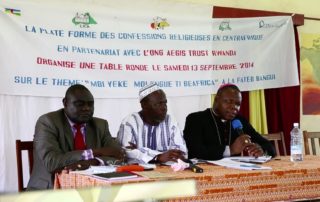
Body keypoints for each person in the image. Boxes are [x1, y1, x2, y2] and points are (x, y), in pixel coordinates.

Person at [27, 84, 125, 190]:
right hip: (51, 189)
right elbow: (52, 163)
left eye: (90, 104)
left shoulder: (100, 125)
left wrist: (90, 162)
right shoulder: (47, 122)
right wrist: (94, 152)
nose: (86, 108)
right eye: (79, 104)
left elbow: (118, 154)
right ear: (65, 103)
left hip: (90, 187)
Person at [184, 84, 276, 160]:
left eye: (238, 104)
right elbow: (193, 151)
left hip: (234, 174)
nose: (234, 107)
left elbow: (270, 147)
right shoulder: (195, 119)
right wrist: (230, 150)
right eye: (229, 101)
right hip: (204, 174)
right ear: (216, 99)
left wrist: (262, 150)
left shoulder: (240, 121)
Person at [117, 83, 187, 164]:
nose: (164, 108)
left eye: (165, 103)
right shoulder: (130, 122)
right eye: (158, 104)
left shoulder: (170, 121)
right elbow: (126, 152)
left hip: (167, 172)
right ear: (144, 105)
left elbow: (180, 153)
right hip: (138, 172)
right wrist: (158, 157)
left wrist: (140, 150)